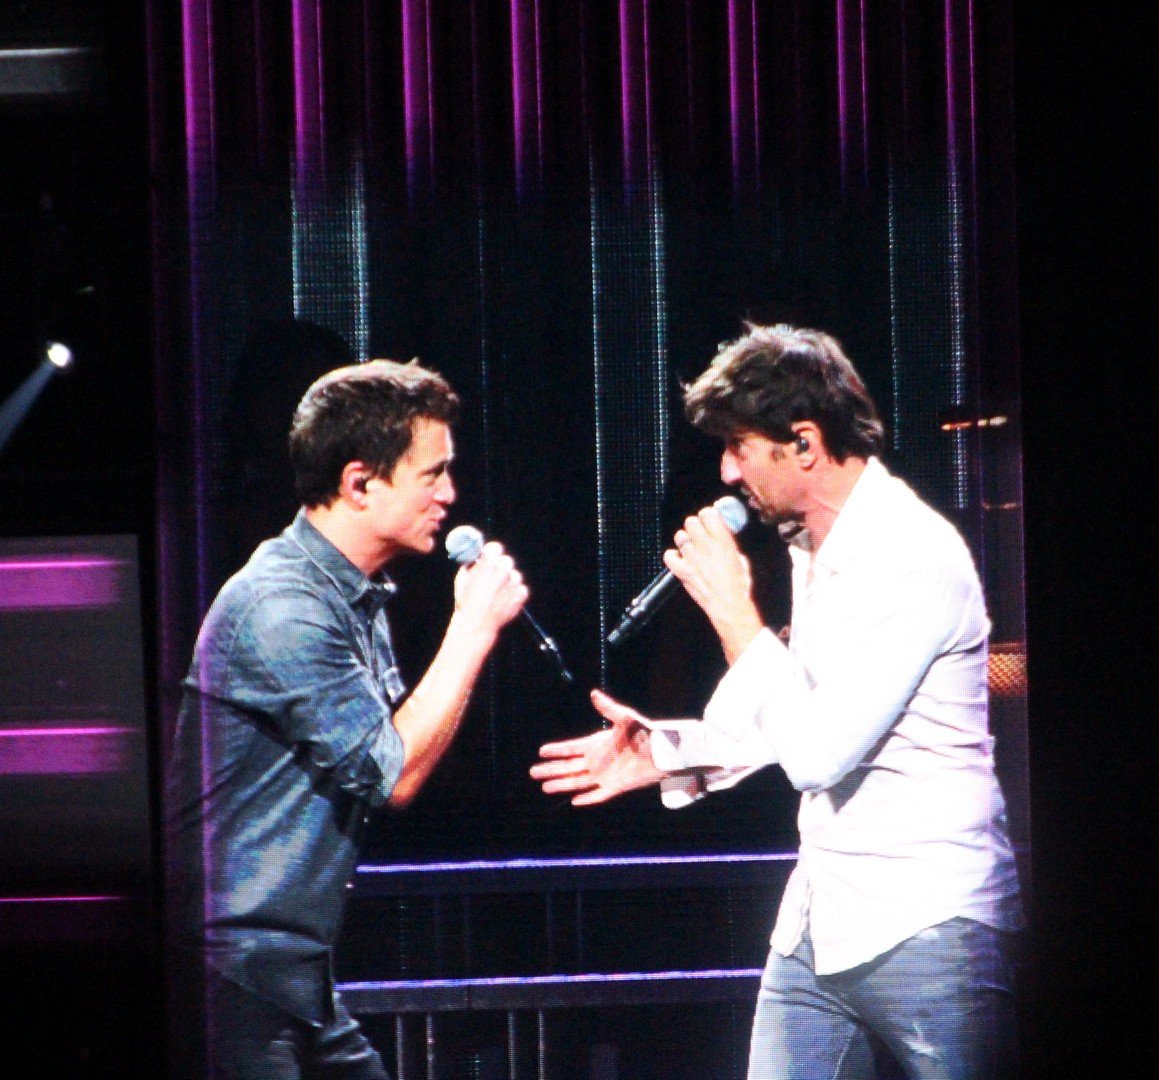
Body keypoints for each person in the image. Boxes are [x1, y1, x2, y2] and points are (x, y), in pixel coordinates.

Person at [532, 325, 1023, 1079]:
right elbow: (782, 712)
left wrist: (735, 613)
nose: (727, 472)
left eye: (738, 447)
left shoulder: (911, 557)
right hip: (820, 922)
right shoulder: (807, 548)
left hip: (929, 923)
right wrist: (660, 753)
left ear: (804, 442)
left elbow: (818, 754)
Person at [164, 359, 529, 1079]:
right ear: (361, 482)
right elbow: (391, 773)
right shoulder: (282, 607)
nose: (450, 496)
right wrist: (473, 630)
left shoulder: (351, 596)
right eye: (433, 475)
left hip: (291, 978)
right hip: (229, 975)